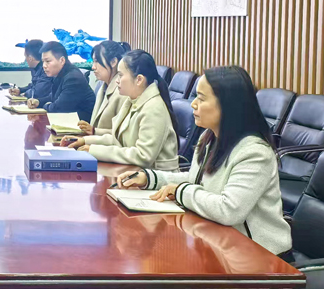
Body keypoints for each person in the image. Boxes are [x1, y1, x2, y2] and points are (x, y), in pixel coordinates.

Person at [114, 66, 292, 257]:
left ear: (227, 104)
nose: (193, 104)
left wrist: (180, 191)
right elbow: (195, 179)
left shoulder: (255, 153)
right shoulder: (209, 137)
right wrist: (149, 178)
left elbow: (229, 210)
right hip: (222, 245)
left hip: (261, 256)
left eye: (201, 98)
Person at [64, 49, 179, 170]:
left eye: (120, 75)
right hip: (133, 171)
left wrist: (93, 150)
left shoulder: (154, 108)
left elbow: (143, 156)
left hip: (156, 177)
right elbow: (117, 140)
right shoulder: (131, 100)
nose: (117, 80)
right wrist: (85, 141)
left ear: (139, 80)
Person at [26, 41, 95, 121]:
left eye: (48, 61)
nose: (44, 66)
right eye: (43, 62)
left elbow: (58, 109)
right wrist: (38, 102)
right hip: (67, 122)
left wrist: (46, 105)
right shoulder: (61, 74)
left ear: (62, 60)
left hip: (79, 125)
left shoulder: (73, 78)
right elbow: (53, 97)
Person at [76, 40, 131, 136]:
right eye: (93, 62)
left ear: (113, 62)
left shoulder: (123, 91)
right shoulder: (102, 86)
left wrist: (93, 131)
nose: (93, 67)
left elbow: (121, 135)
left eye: (97, 61)